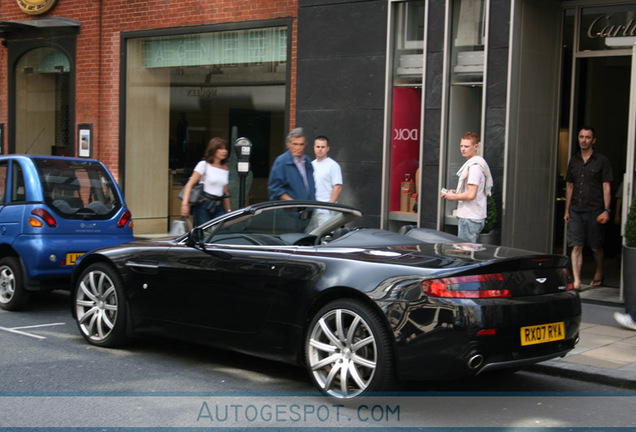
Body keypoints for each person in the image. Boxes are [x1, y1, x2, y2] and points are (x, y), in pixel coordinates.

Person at [564, 126, 613, 290]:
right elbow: (570, 186)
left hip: (595, 209)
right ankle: (577, 281)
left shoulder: (602, 161)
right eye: (581, 137)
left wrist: (607, 210)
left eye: (587, 137)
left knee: (595, 246)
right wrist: (566, 210)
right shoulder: (574, 160)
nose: (584, 140)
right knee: (576, 245)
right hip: (576, 209)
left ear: (593, 140)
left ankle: (599, 271)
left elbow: (606, 186)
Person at [441, 132, 493, 242]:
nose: (463, 149)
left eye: (466, 146)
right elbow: (471, 191)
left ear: (476, 147)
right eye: (461, 146)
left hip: (470, 217)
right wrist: (457, 193)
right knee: (467, 253)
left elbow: (471, 194)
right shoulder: (477, 164)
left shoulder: (474, 168)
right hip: (473, 217)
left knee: (464, 255)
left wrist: (452, 197)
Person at [180, 137, 231, 226]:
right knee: (203, 235)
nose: (224, 151)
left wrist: (229, 211)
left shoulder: (225, 168)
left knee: (222, 234)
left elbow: (225, 192)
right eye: (221, 148)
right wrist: (184, 205)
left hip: (219, 206)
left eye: (225, 149)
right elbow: (190, 184)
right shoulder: (203, 165)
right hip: (203, 205)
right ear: (213, 150)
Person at [268, 127, 316, 201]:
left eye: (301, 144)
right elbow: (275, 188)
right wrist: (293, 204)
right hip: (290, 210)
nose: (298, 148)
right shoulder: (281, 162)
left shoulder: (307, 160)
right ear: (289, 145)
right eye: (295, 144)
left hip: (308, 208)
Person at [312, 135, 343, 203]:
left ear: (327, 148)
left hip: (326, 208)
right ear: (314, 148)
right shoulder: (310, 165)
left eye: (323, 147)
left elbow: (338, 187)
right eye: (318, 147)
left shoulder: (333, 165)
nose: (320, 149)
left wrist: (329, 206)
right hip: (312, 207)